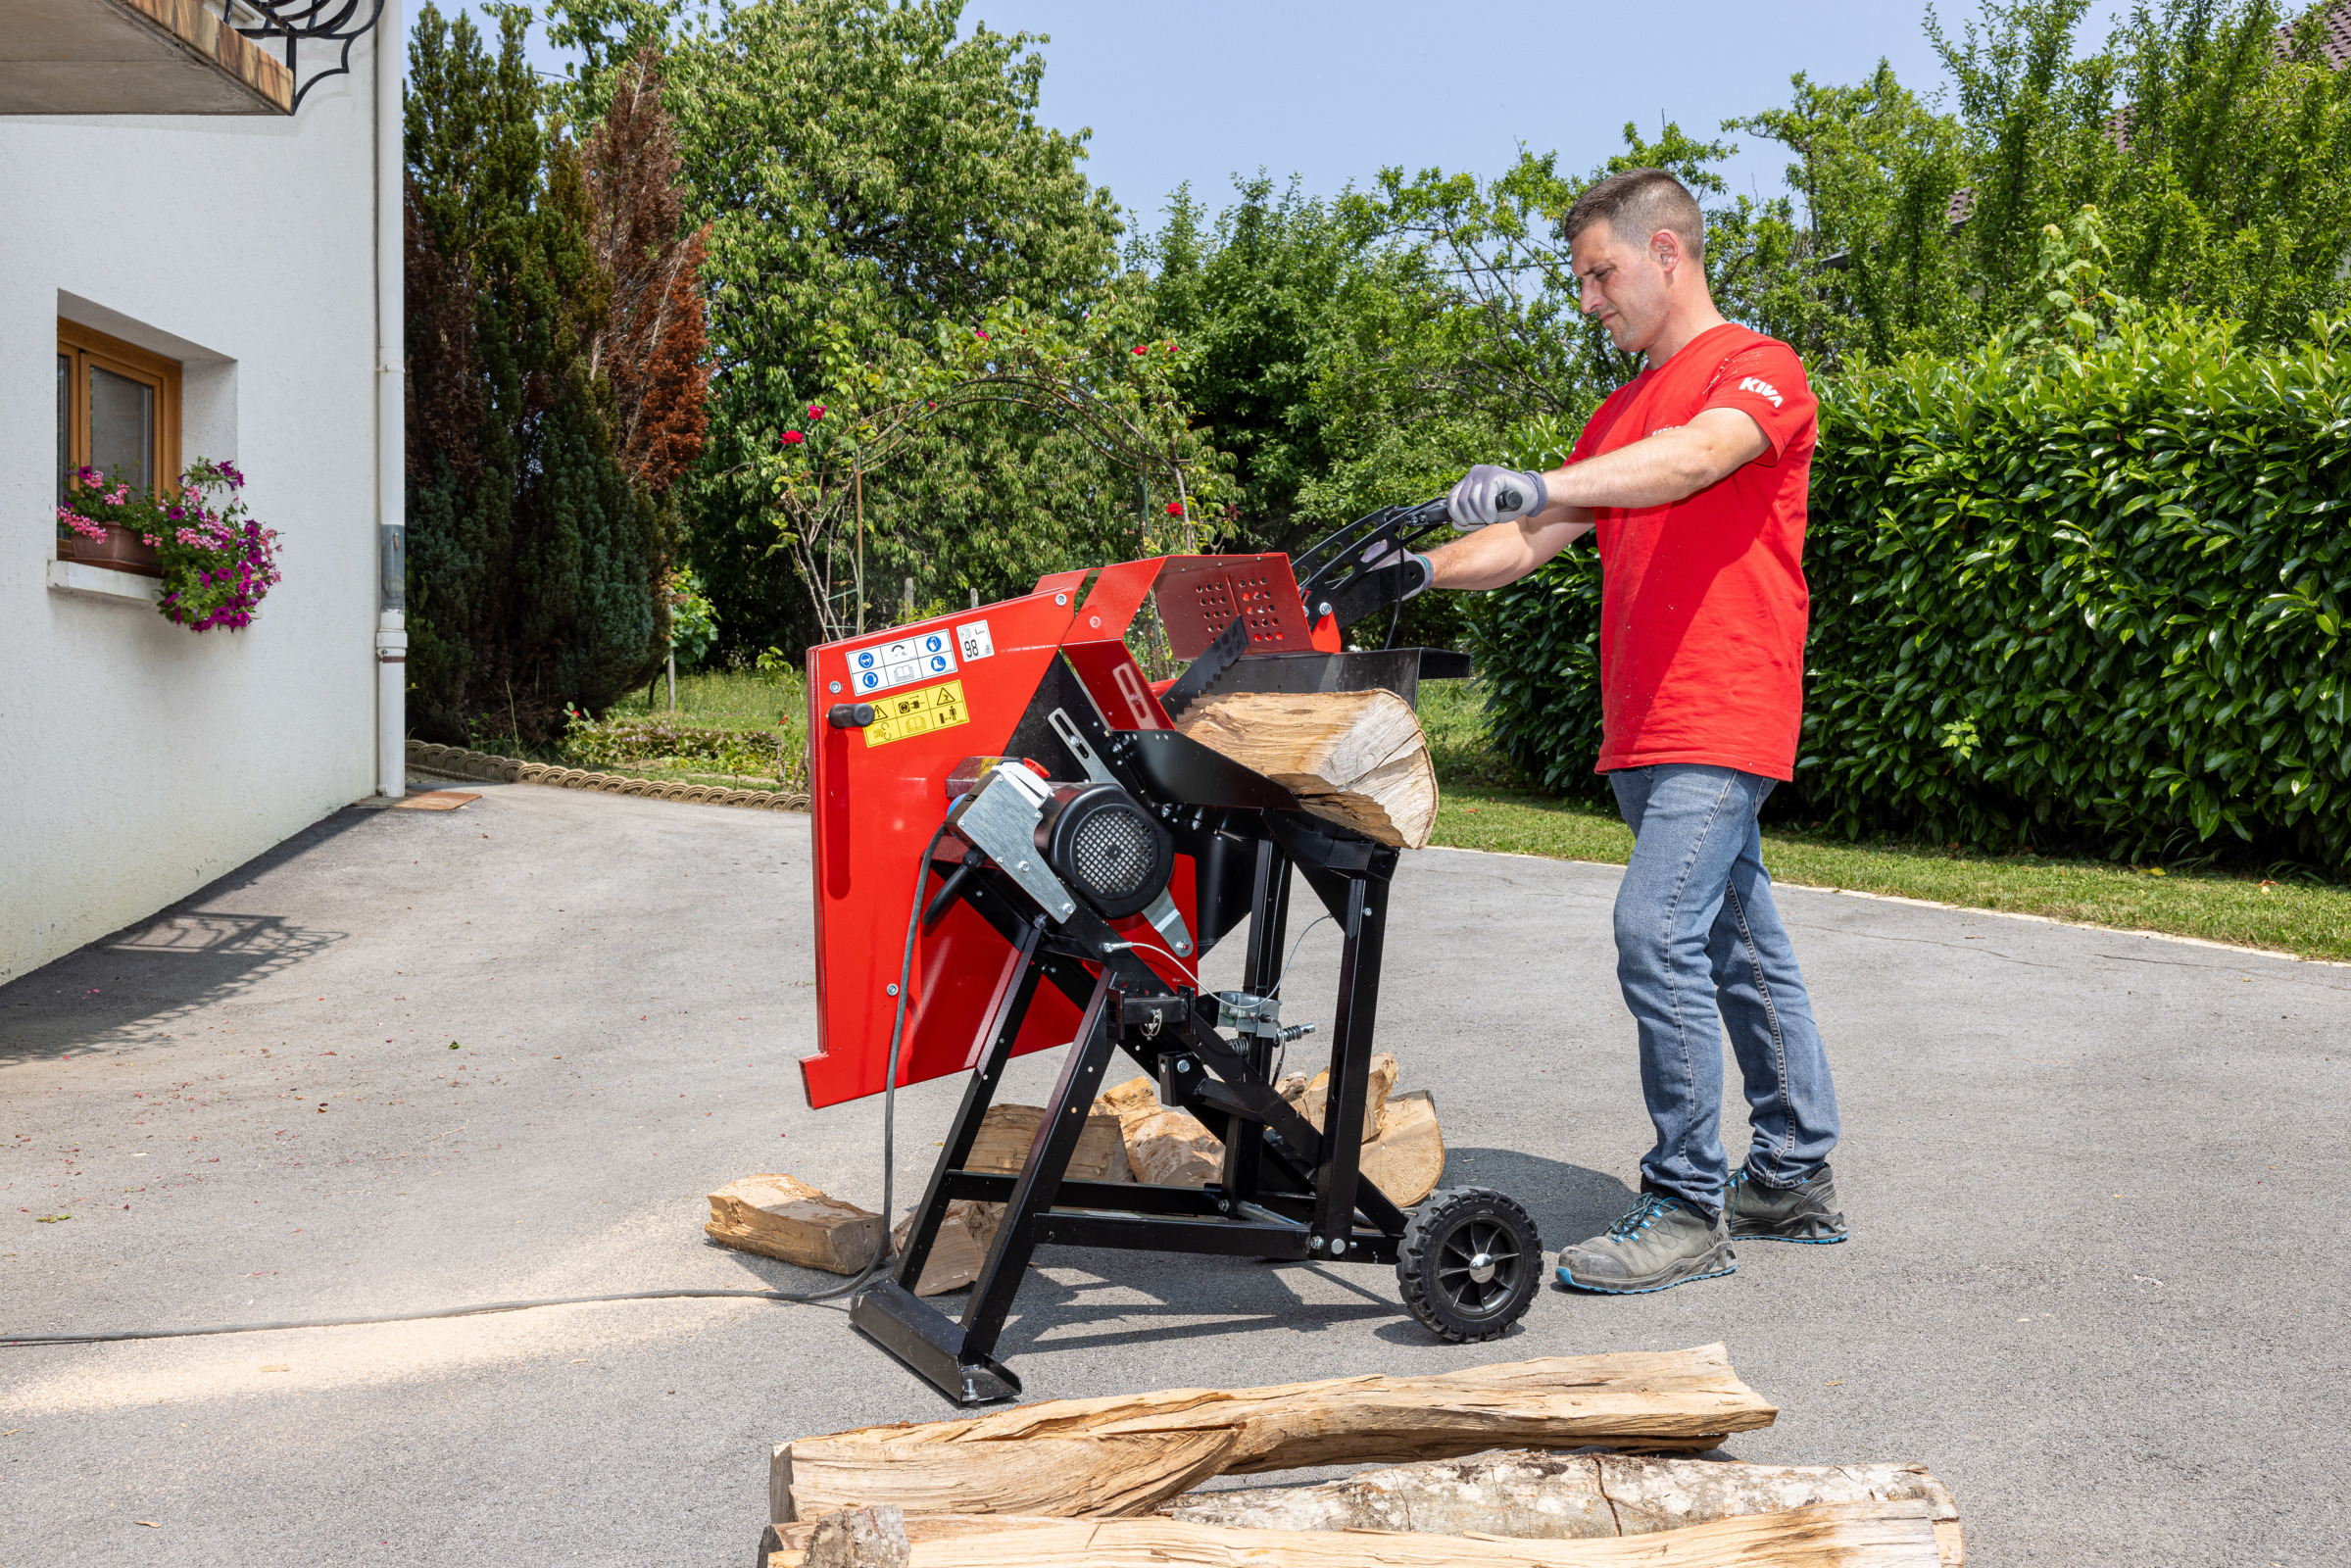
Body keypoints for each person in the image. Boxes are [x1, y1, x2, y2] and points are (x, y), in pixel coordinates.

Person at [1394, 167, 1846, 1293]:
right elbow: (1520, 542)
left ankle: (1688, 1202)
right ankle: (1790, 1170)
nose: (1587, 298)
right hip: (1643, 724)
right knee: (1740, 947)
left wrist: (1539, 479)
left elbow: (1695, 460)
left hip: (1721, 705)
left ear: (1667, 254)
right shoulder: (1615, 417)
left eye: (1598, 273)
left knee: (1654, 933)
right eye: (1581, 278)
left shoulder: (1755, 369)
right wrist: (1406, 573)